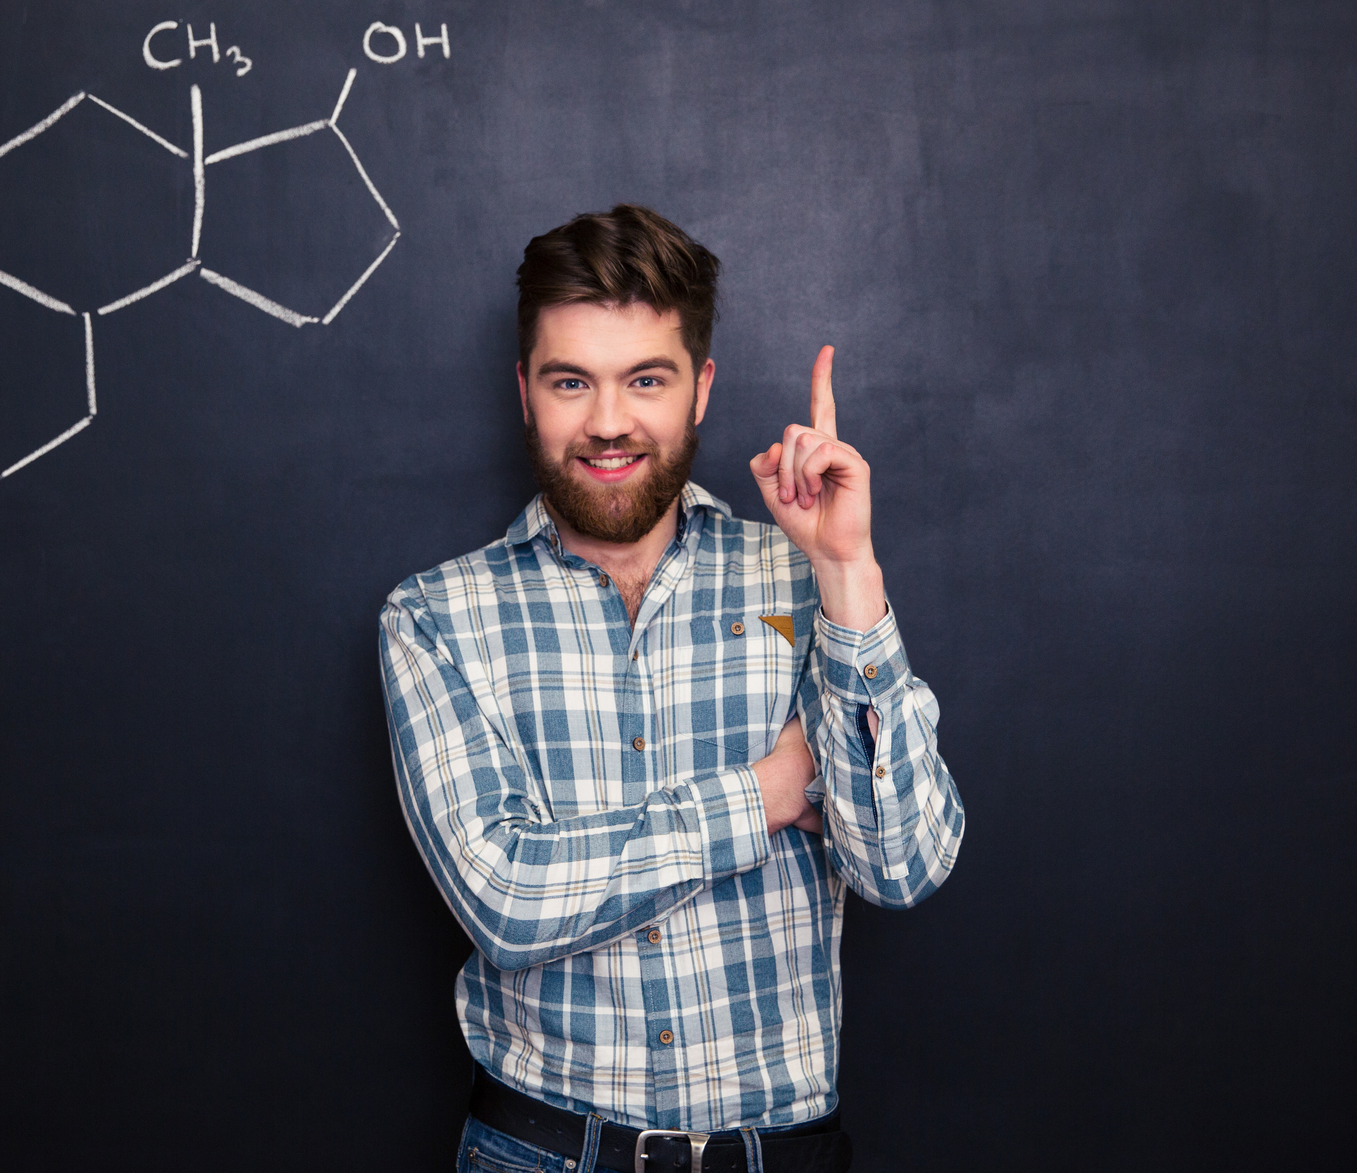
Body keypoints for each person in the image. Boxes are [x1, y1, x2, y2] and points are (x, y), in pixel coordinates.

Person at [378, 205, 965, 1173]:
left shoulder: (800, 576)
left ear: (701, 390)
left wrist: (850, 574)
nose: (609, 421)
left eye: (646, 379)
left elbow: (901, 862)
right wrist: (767, 795)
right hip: (539, 1153)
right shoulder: (438, 616)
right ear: (525, 391)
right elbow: (507, 899)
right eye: (572, 381)